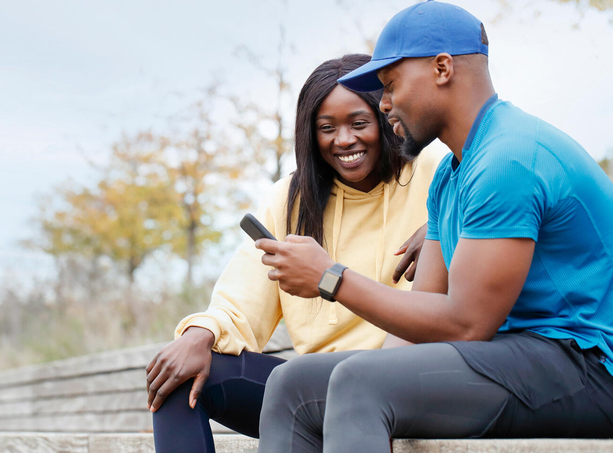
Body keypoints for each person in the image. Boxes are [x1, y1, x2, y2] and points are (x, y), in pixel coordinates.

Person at [255, 0, 613, 452]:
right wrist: (387, 376)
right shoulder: (451, 175)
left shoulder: (509, 158)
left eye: (389, 85)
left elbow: (466, 325)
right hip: (518, 356)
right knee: (293, 385)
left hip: (588, 364)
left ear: (442, 68)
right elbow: (419, 321)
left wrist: (331, 278)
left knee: (360, 382)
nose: (384, 104)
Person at [145, 54, 439, 453]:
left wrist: (442, 226)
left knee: (312, 386)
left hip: (405, 378)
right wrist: (201, 333)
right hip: (309, 389)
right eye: (326, 128)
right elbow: (241, 301)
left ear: (383, 116)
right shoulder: (291, 200)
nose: (344, 140)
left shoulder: (434, 174)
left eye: (358, 123)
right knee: (178, 377)